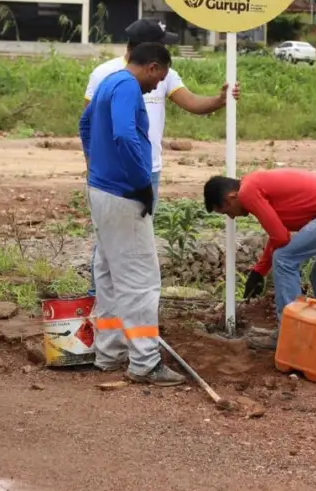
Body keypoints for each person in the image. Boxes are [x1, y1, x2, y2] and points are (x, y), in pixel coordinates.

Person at [82, 18, 240, 297]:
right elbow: (98, 126)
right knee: (115, 243)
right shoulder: (107, 74)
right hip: (118, 177)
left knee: (132, 238)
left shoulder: (163, 73)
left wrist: (219, 100)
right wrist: (95, 167)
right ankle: (122, 307)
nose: (157, 86)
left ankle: (112, 311)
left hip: (148, 169)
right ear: (148, 55)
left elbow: (191, 102)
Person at [80, 41, 185, 386]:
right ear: (153, 67)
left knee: (109, 273)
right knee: (141, 280)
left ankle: (109, 354)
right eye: (160, 78)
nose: (157, 86)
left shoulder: (108, 81)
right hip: (123, 195)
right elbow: (126, 135)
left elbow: (84, 124)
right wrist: (141, 181)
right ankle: (145, 362)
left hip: (100, 191)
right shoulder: (126, 86)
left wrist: (95, 166)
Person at [203, 170, 316, 365]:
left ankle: (290, 336)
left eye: (226, 211)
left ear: (231, 197)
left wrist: (262, 270)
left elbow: (282, 240)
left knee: (284, 260)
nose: (231, 217)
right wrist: (259, 271)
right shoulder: (257, 186)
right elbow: (278, 233)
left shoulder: (247, 192)